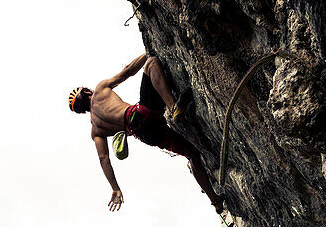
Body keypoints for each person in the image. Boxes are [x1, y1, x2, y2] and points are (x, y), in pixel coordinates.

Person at [68, 53, 224, 213]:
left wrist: (115, 188)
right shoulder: (100, 90)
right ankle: (173, 108)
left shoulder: (95, 130)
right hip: (140, 114)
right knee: (151, 64)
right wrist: (147, 52)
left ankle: (215, 201)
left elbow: (104, 159)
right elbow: (127, 71)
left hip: (144, 134)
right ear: (87, 92)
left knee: (191, 154)